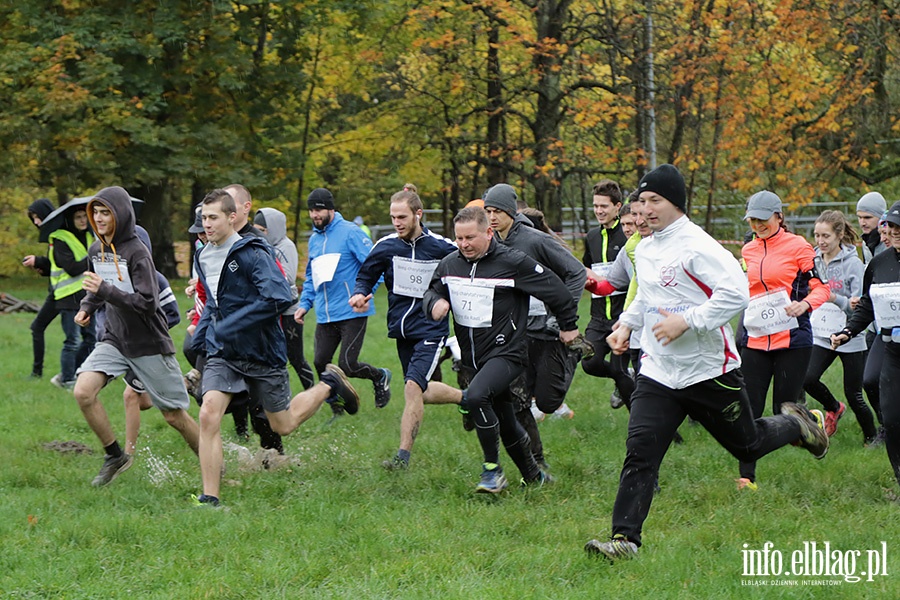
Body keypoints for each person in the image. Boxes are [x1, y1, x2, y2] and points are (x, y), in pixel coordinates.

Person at [585, 164, 828, 561]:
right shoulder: (645, 247)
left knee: (747, 442)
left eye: (654, 201)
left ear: (675, 204)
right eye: (641, 201)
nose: (644, 209)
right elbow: (647, 294)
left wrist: (688, 321)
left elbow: (735, 294)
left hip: (707, 370)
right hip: (660, 370)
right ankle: (624, 540)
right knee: (640, 449)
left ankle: (798, 423)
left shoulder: (699, 246)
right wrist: (627, 324)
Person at [191, 189, 360, 506]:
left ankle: (329, 384)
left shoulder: (254, 253)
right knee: (208, 413)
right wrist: (202, 335)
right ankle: (209, 498)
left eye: (213, 218)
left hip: (262, 351)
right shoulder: (202, 256)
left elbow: (281, 297)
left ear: (232, 218)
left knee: (282, 424)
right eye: (203, 218)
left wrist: (234, 323)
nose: (207, 225)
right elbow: (214, 305)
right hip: (224, 353)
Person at [423, 207, 581, 492]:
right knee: (506, 420)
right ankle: (533, 475)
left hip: (507, 353)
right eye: (459, 238)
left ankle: (492, 471)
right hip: (474, 359)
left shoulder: (514, 262)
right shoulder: (449, 264)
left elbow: (556, 290)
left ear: (488, 232)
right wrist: (434, 303)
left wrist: (568, 324)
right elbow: (432, 290)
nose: (464, 244)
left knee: (477, 396)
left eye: (470, 237)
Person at [72, 186, 200, 487]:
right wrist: (87, 306)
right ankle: (115, 455)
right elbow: (97, 285)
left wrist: (105, 292)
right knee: (83, 392)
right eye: (96, 213)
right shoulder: (96, 250)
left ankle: (214, 467)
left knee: (174, 416)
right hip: (115, 338)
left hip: (148, 343)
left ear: (121, 215)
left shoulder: (138, 253)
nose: (100, 219)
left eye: (106, 213)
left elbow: (147, 303)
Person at [349, 189, 462, 470]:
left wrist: (446, 299)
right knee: (419, 390)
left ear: (418, 215)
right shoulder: (387, 246)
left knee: (412, 388)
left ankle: (402, 458)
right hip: (402, 329)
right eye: (393, 217)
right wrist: (360, 293)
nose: (397, 222)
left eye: (402, 217)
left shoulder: (441, 247)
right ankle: (468, 398)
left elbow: (466, 265)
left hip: (431, 328)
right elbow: (366, 274)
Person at [483, 184, 587, 468]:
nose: (492, 217)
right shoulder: (490, 243)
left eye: (498, 211)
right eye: (488, 211)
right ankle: (536, 462)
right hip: (516, 333)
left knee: (548, 403)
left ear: (511, 212)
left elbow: (576, 272)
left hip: (549, 331)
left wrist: (563, 315)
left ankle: (572, 354)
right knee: (516, 401)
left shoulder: (534, 240)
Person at [735, 190, 830, 491]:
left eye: (763, 219)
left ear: (779, 217)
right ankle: (747, 477)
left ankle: (807, 418)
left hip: (793, 338)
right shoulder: (748, 249)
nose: (758, 225)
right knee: (749, 407)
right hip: (756, 339)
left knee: (784, 410)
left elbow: (822, 288)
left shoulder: (798, 246)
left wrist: (805, 304)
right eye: (753, 219)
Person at [295, 187, 392, 412]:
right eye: (311, 210)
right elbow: (311, 276)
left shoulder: (350, 232)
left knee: (347, 364)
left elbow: (374, 265)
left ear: (331, 209)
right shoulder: (314, 241)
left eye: (319, 210)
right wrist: (304, 304)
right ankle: (337, 405)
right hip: (325, 312)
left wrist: (364, 294)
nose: (314, 215)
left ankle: (380, 376)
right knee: (321, 362)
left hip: (353, 309)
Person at [831, 200, 900, 491]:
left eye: (897, 227)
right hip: (891, 345)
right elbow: (868, 304)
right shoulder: (880, 263)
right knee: (893, 418)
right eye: (890, 227)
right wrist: (848, 331)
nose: (892, 232)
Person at [803, 211, 877, 444]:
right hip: (821, 334)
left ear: (839, 235)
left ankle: (871, 436)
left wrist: (834, 297)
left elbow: (859, 308)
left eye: (826, 236)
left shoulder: (853, 264)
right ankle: (834, 408)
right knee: (807, 379)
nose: (821, 241)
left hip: (848, 337)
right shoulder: (813, 259)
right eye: (817, 235)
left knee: (854, 395)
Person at [118, 226, 183, 455]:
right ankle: (175, 385)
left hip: (151, 347)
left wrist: (149, 329)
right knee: (143, 402)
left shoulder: (157, 280)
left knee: (131, 396)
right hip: (128, 347)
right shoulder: (121, 279)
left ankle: (128, 453)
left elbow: (174, 314)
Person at [581, 179, 634, 410]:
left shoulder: (628, 235)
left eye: (604, 206)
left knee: (620, 371)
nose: (599, 211)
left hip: (621, 317)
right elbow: (586, 269)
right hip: (598, 315)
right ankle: (624, 378)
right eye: (595, 206)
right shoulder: (592, 237)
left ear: (617, 207)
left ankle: (641, 423)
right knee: (589, 363)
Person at [254, 207, 316, 391]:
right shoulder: (262, 245)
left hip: (288, 310)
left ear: (273, 229)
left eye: (263, 230)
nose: (259, 234)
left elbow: (287, 276)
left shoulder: (285, 246)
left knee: (295, 357)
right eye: (256, 229)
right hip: (269, 308)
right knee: (270, 356)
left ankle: (313, 394)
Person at [47, 202, 98, 389]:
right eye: (78, 217)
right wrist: (95, 254)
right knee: (72, 341)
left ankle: (72, 372)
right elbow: (72, 268)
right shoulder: (59, 238)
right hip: (67, 296)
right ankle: (67, 379)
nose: (83, 220)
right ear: (70, 219)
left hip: (87, 294)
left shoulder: (89, 236)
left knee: (92, 338)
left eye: (85, 216)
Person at [857, 192, 889, 447]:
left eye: (868, 217)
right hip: (873, 325)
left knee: (880, 379)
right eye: (859, 217)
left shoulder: (888, 243)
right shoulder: (867, 243)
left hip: (890, 325)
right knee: (869, 381)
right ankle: (886, 425)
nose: (863, 222)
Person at [23, 198, 58, 379]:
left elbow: (66, 263)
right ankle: (38, 372)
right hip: (58, 292)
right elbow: (57, 266)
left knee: (80, 338)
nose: (36, 222)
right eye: (33, 219)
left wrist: (39, 261)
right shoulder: (53, 235)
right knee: (37, 328)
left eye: (37, 217)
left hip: (68, 293)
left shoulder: (61, 233)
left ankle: (68, 375)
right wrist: (43, 268)